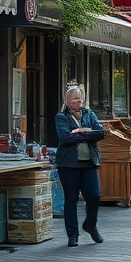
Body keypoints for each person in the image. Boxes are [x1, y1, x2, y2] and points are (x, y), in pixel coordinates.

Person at [54, 85, 107, 247]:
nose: (79, 101)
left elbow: (101, 133)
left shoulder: (89, 114)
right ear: (68, 101)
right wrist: (87, 134)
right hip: (69, 165)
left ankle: (90, 224)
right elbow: (65, 138)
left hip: (89, 163)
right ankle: (72, 235)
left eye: (81, 98)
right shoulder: (61, 117)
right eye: (76, 99)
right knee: (71, 199)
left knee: (94, 195)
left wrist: (78, 132)